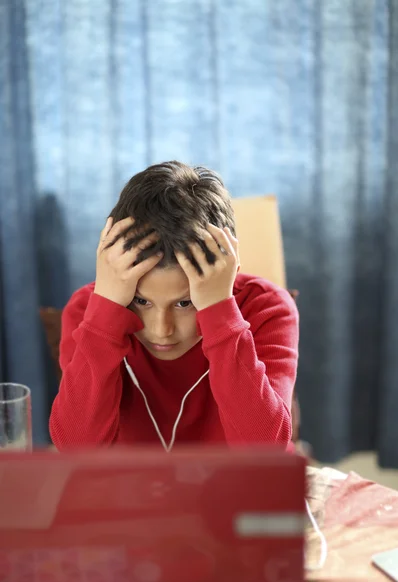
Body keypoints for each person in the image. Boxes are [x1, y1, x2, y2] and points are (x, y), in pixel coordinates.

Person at [49, 161, 299, 451]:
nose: (161, 331)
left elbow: (264, 452)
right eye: (141, 301)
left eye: (185, 303)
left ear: (227, 276)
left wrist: (219, 312)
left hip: (234, 492)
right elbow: (76, 448)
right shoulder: (87, 309)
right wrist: (105, 311)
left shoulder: (267, 308)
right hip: (130, 491)